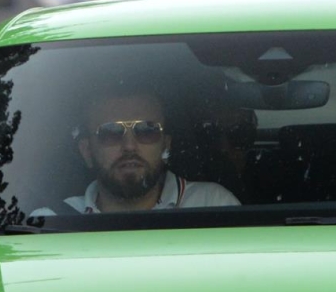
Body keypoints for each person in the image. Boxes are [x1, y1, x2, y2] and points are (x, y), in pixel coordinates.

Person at [60, 89, 241, 213]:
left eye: (147, 130)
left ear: (166, 145)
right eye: (111, 133)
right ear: (87, 151)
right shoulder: (53, 221)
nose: (130, 146)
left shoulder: (213, 205)